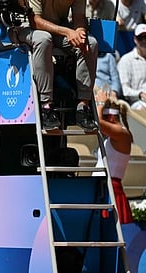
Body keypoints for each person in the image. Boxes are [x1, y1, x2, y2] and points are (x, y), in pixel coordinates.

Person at [17, 0, 98, 131]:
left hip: (59, 27)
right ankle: (46, 107)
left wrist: (80, 33)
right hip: (27, 26)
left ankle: (82, 108)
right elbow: (35, 21)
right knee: (43, 39)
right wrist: (67, 32)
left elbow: (79, 18)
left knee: (91, 43)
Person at [94, 89, 133, 224]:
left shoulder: (122, 134)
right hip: (103, 190)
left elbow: (96, 123)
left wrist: (100, 103)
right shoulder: (115, 136)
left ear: (110, 117)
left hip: (111, 192)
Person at [117, 24, 146, 110]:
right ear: (135, 40)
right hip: (137, 103)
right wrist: (140, 94)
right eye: (141, 38)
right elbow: (125, 90)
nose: (144, 41)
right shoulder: (126, 60)